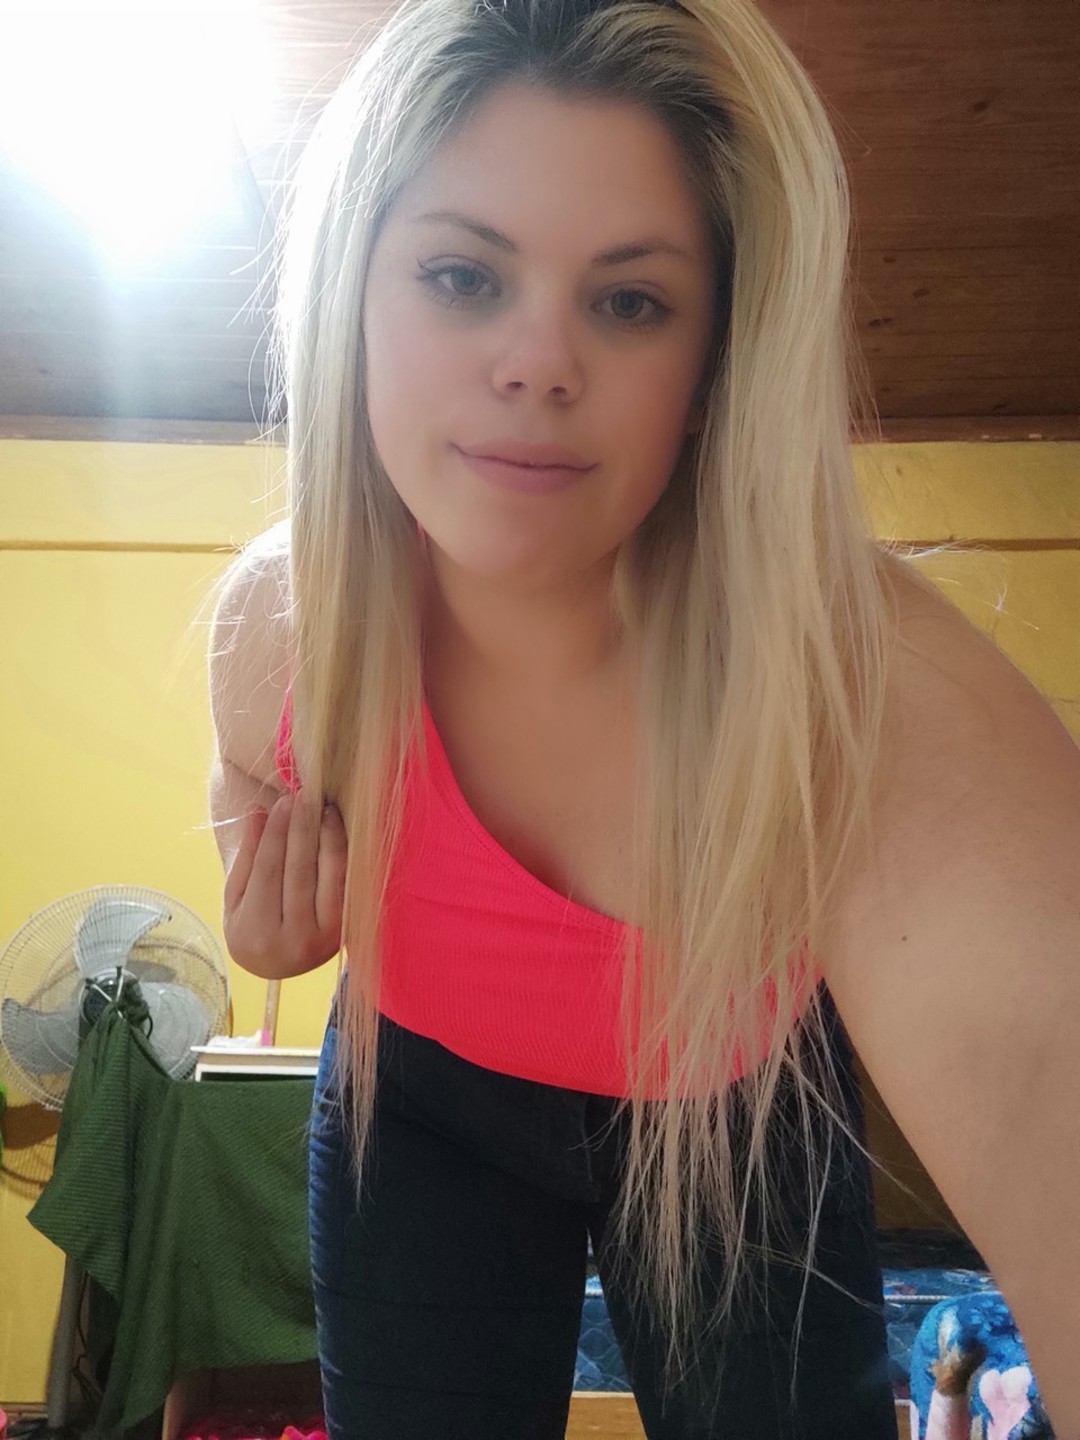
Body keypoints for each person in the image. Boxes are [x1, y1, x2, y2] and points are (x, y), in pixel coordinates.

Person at [206, 0, 1080, 1435]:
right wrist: (262, 931)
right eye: (462, 275)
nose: (537, 361)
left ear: (716, 361)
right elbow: (246, 794)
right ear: (352, 292)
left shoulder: (859, 697)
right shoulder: (277, 626)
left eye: (628, 302)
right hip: (417, 1108)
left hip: (742, 1117)